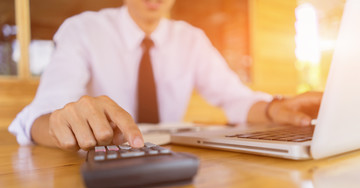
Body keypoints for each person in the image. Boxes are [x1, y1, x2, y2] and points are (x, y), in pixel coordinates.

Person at [9, 0, 322, 151]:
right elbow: (44, 112)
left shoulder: (191, 39)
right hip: (100, 167)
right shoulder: (83, 30)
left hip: (169, 161)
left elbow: (234, 97)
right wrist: (61, 121)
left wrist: (274, 107)